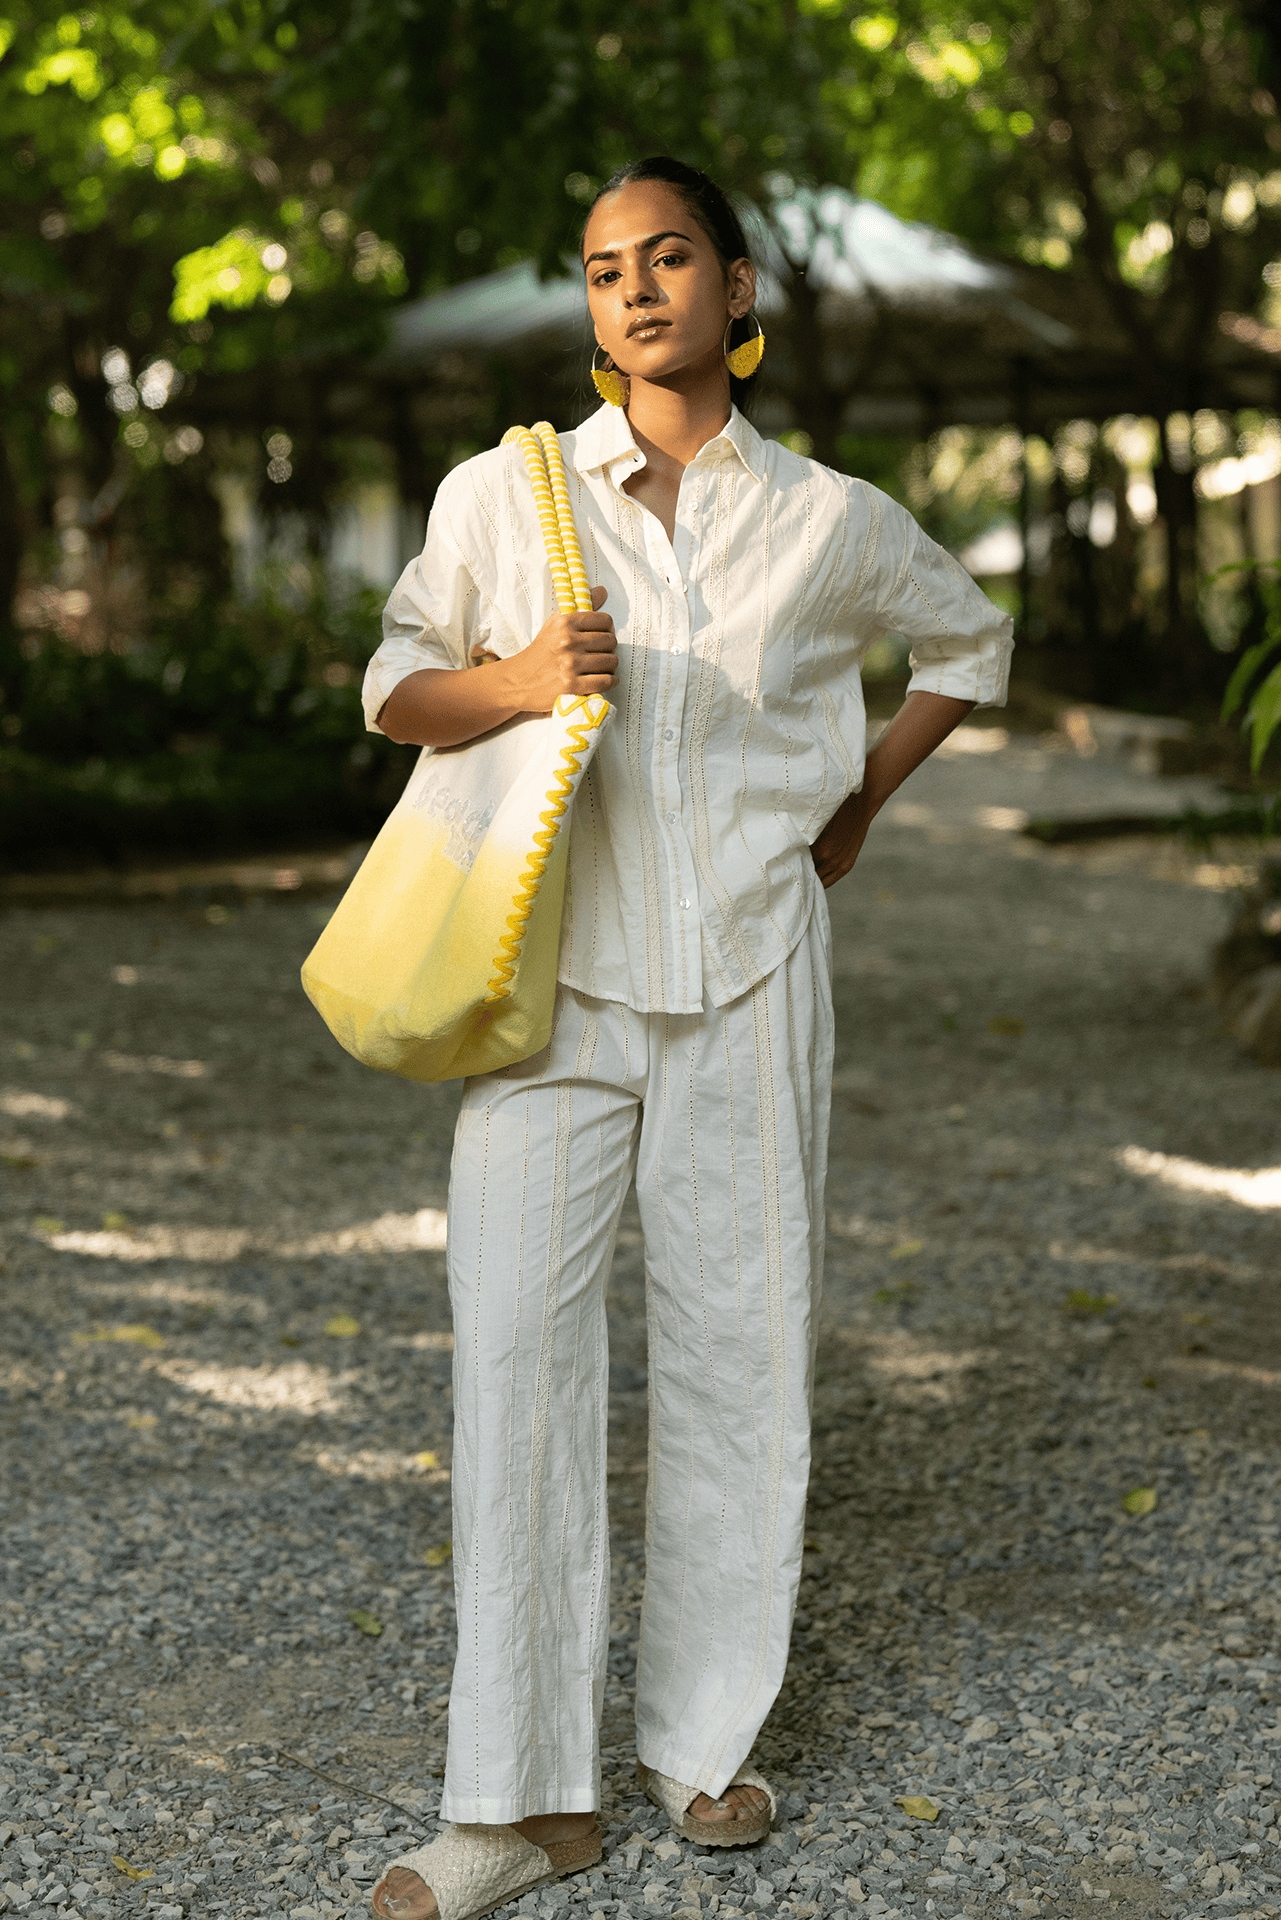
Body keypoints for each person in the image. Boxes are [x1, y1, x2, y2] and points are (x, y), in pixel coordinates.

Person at [362, 156, 1012, 1920]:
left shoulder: (831, 518)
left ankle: (701, 1745)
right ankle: (518, 1802)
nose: (634, 291)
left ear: (738, 289)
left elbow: (969, 637)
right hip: (549, 984)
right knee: (513, 1354)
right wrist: (515, 682)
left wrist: (861, 799)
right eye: (599, 270)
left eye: (666, 261)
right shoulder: (505, 499)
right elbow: (396, 682)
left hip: (749, 972)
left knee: (741, 1357)